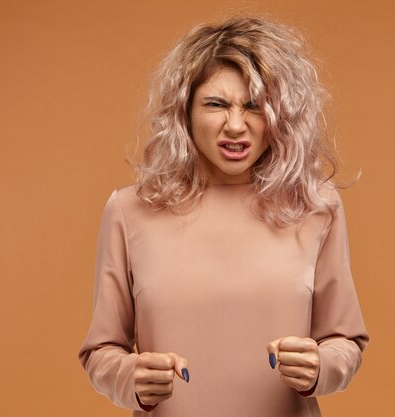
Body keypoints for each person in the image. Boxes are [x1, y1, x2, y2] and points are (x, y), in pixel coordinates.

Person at [78, 16, 369, 417]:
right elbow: (101, 350)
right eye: (216, 104)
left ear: (278, 115)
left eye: (254, 106)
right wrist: (131, 377)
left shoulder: (315, 205)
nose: (235, 126)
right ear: (185, 111)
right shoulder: (129, 210)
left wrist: (321, 366)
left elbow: (345, 339)